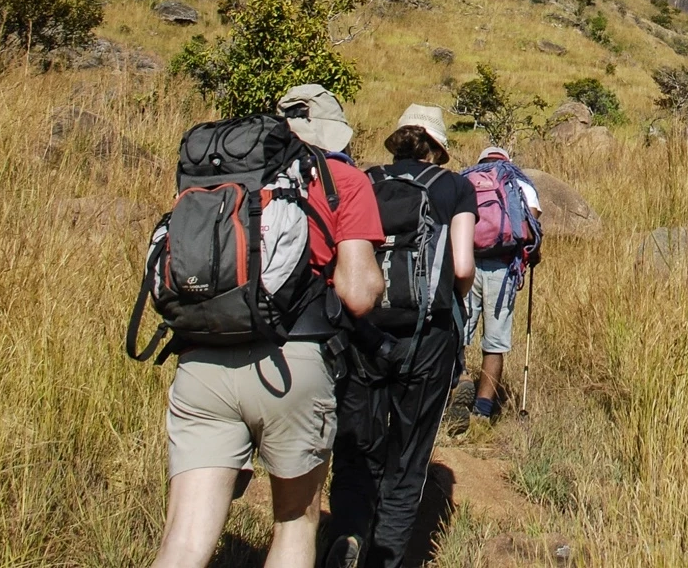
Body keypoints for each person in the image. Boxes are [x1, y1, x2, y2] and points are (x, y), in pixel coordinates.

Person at [147, 84, 384, 568]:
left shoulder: (220, 174)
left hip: (201, 359)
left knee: (185, 542)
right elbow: (359, 294)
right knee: (295, 525)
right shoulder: (343, 177)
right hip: (290, 365)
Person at [325, 104, 477, 568]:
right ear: (438, 147)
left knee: (357, 452)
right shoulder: (454, 186)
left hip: (363, 332)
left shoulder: (365, 180)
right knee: (408, 461)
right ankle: (384, 560)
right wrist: (453, 299)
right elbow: (464, 266)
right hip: (427, 339)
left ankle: (348, 533)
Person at [463, 143, 540, 421]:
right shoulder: (520, 183)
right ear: (508, 160)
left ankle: (456, 384)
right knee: (494, 342)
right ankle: (483, 409)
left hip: (466, 264)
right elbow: (531, 232)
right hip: (504, 268)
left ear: (481, 159)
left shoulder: (466, 179)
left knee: (458, 333)